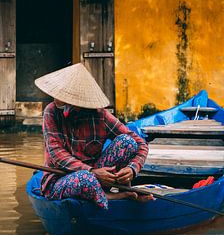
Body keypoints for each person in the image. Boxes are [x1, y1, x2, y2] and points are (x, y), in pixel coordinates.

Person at [35, 63, 152, 210]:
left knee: (127, 142)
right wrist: (91, 172)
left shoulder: (100, 115)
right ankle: (110, 197)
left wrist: (132, 168)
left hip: (98, 177)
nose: (57, 99)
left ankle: (123, 190)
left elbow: (140, 144)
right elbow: (57, 154)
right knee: (86, 179)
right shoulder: (51, 112)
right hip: (61, 180)